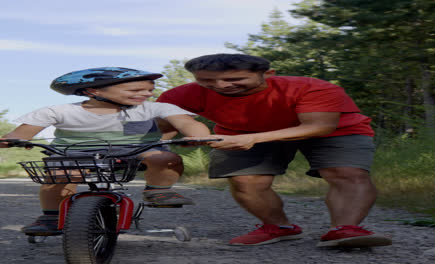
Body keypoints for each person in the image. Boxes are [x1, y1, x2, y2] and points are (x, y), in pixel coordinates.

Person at [156, 54, 392, 247]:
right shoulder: (182, 94)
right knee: (245, 181)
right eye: (207, 81)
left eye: (234, 78)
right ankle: (279, 227)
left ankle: (345, 229)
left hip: (334, 131)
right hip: (239, 130)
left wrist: (253, 138)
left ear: (268, 74)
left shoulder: (312, 88)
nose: (220, 86)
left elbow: (319, 126)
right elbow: (164, 126)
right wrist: (159, 149)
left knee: (346, 173)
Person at [0, 67, 211, 236]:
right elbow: (21, 133)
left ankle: (158, 190)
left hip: (137, 151)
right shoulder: (58, 111)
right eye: (136, 90)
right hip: (74, 154)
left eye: (149, 89)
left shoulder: (154, 108)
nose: (147, 94)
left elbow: (185, 122)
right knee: (58, 175)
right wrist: (11, 141)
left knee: (167, 157)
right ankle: (51, 216)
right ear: (94, 91)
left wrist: (199, 135)